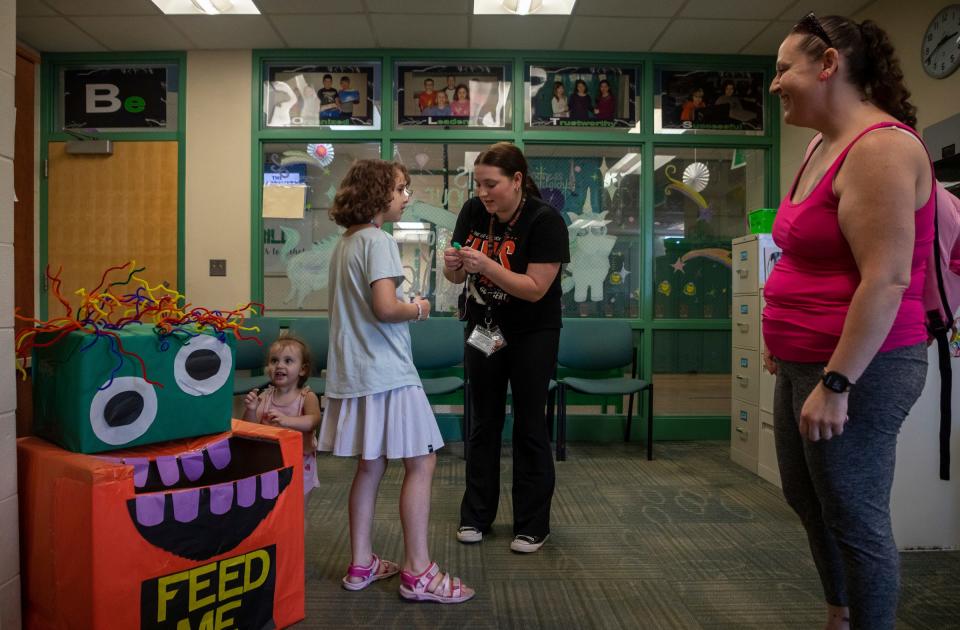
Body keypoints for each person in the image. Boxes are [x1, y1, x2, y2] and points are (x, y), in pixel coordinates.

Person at [762, 13, 933, 630]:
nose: (776, 82)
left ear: (828, 65)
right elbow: (805, 252)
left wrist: (837, 383)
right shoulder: (818, 143)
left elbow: (885, 280)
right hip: (805, 357)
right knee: (807, 498)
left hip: (862, 367)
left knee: (855, 515)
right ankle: (841, 615)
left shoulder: (882, 149)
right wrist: (780, 333)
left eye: (785, 68)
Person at [319, 159, 474, 604]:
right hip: (386, 372)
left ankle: (361, 563)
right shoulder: (380, 241)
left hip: (356, 372)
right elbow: (386, 308)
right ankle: (419, 572)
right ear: (377, 194)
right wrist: (420, 308)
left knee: (370, 465)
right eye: (401, 189)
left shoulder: (346, 244)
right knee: (421, 463)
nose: (407, 196)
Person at [442, 142, 570, 553]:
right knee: (483, 422)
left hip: (533, 332)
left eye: (491, 184)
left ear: (516, 181)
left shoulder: (545, 220)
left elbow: (535, 290)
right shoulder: (473, 212)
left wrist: (487, 266)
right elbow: (456, 280)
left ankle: (533, 524)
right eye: (478, 183)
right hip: (484, 329)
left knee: (530, 425)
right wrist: (453, 265)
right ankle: (476, 515)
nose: (482, 192)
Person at [242, 336, 322, 499]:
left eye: (288, 361)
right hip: (269, 464)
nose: (279, 365)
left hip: (299, 464)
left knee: (297, 511)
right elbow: (249, 428)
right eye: (274, 361)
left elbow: (313, 421)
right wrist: (251, 410)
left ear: (302, 369)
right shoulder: (265, 396)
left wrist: (287, 420)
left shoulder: (307, 396)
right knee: (274, 510)